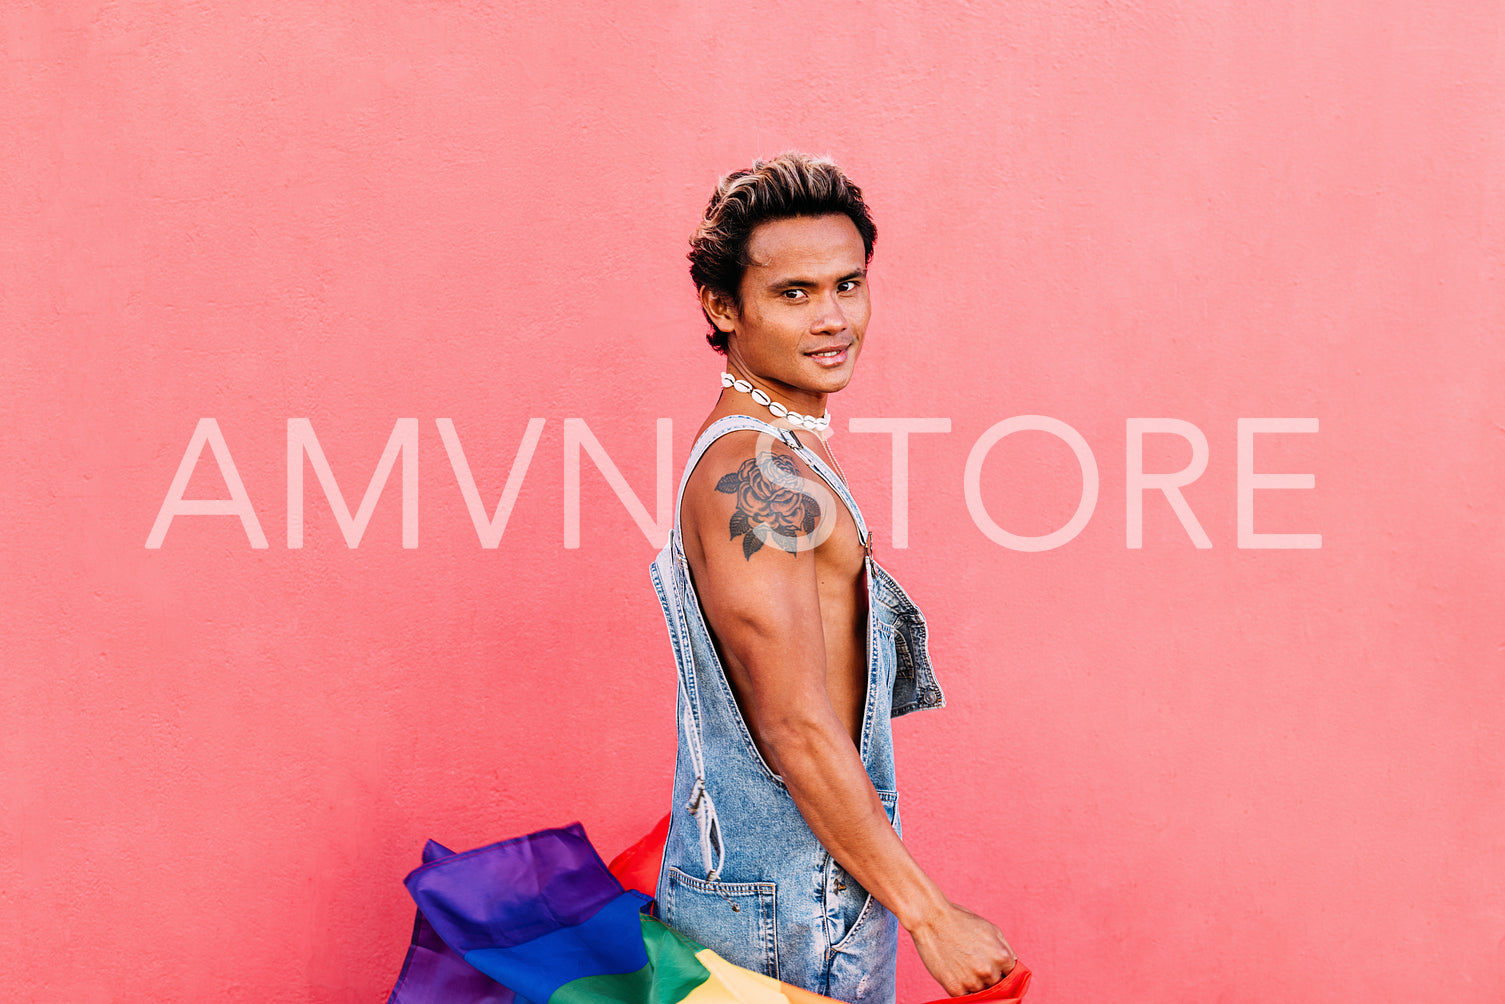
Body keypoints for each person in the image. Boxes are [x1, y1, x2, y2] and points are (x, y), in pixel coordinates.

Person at [648, 152, 1017, 1003]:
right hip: (792, 913)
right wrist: (930, 915)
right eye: (793, 293)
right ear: (721, 304)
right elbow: (794, 726)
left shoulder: (774, 454)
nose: (831, 319)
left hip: (789, 895)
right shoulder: (759, 474)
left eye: (847, 286)